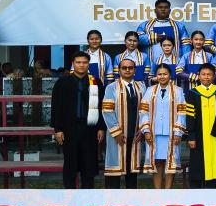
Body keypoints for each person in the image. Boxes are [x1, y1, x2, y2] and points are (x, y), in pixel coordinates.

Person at [51, 52, 106, 189]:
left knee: (89, 162)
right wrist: (58, 129)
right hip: (69, 127)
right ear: (73, 64)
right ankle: (70, 193)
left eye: (85, 62)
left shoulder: (96, 82)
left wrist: (101, 127)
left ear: (89, 64)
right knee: (70, 162)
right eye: (78, 62)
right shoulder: (62, 82)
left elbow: (101, 107)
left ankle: (87, 193)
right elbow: (56, 106)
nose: (81, 65)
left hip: (90, 127)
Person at [101, 58, 146, 189]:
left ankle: (131, 197)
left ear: (135, 70)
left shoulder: (141, 87)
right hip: (118, 134)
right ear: (119, 70)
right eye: (124, 68)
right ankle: (112, 197)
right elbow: (107, 110)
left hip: (135, 133)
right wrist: (116, 132)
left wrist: (142, 129)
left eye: (130, 68)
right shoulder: (111, 88)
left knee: (131, 169)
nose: (127, 70)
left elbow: (146, 110)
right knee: (115, 169)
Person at [139, 64, 185, 189]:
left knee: (170, 163)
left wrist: (178, 132)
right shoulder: (150, 90)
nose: (162, 76)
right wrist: (146, 131)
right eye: (159, 74)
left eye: (165, 74)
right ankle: (158, 191)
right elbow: (143, 111)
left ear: (170, 75)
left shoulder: (178, 91)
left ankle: (168, 191)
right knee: (157, 162)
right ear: (156, 76)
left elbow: (181, 112)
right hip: (154, 133)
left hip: (172, 132)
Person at [185, 64, 216, 189]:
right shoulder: (192, 93)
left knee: (214, 164)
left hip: (215, 135)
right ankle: (196, 192)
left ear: (213, 76)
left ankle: (212, 191)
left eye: (209, 74)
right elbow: (190, 117)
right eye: (203, 74)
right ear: (199, 76)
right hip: (198, 135)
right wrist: (191, 136)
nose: (206, 77)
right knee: (198, 164)